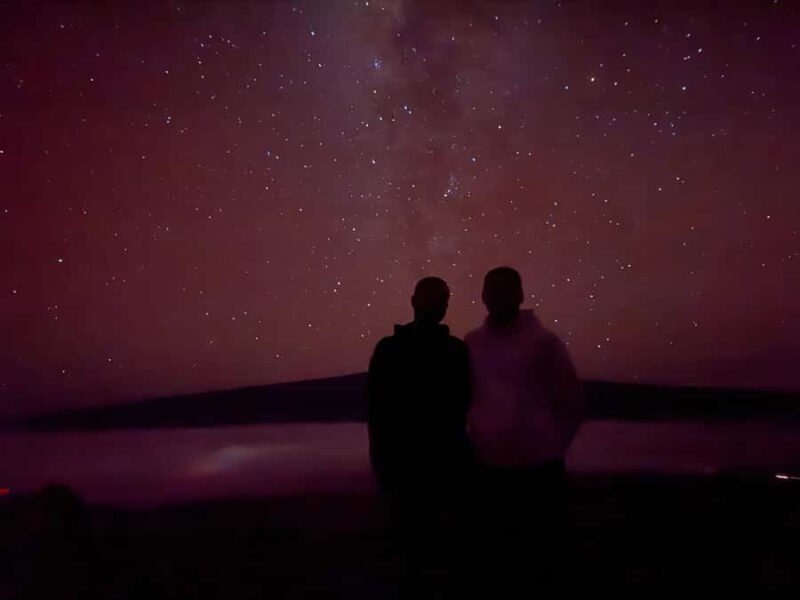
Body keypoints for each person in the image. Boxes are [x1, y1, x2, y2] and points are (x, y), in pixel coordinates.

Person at [465, 266, 583, 537]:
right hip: (488, 463)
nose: (497, 296)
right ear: (483, 295)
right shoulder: (472, 343)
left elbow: (570, 400)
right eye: (491, 290)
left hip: (539, 467)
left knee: (538, 546)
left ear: (519, 295)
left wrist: (551, 446)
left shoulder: (544, 342)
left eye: (504, 290)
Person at [367, 276, 472, 534]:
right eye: (433, 299)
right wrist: (382, 465)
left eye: (443, 301)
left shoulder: (456, 350)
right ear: (414, 301)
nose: (438, 306)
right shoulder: (388, 349)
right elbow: (377, 409)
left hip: (443, 466)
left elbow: (463, 404)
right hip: (402, 466)